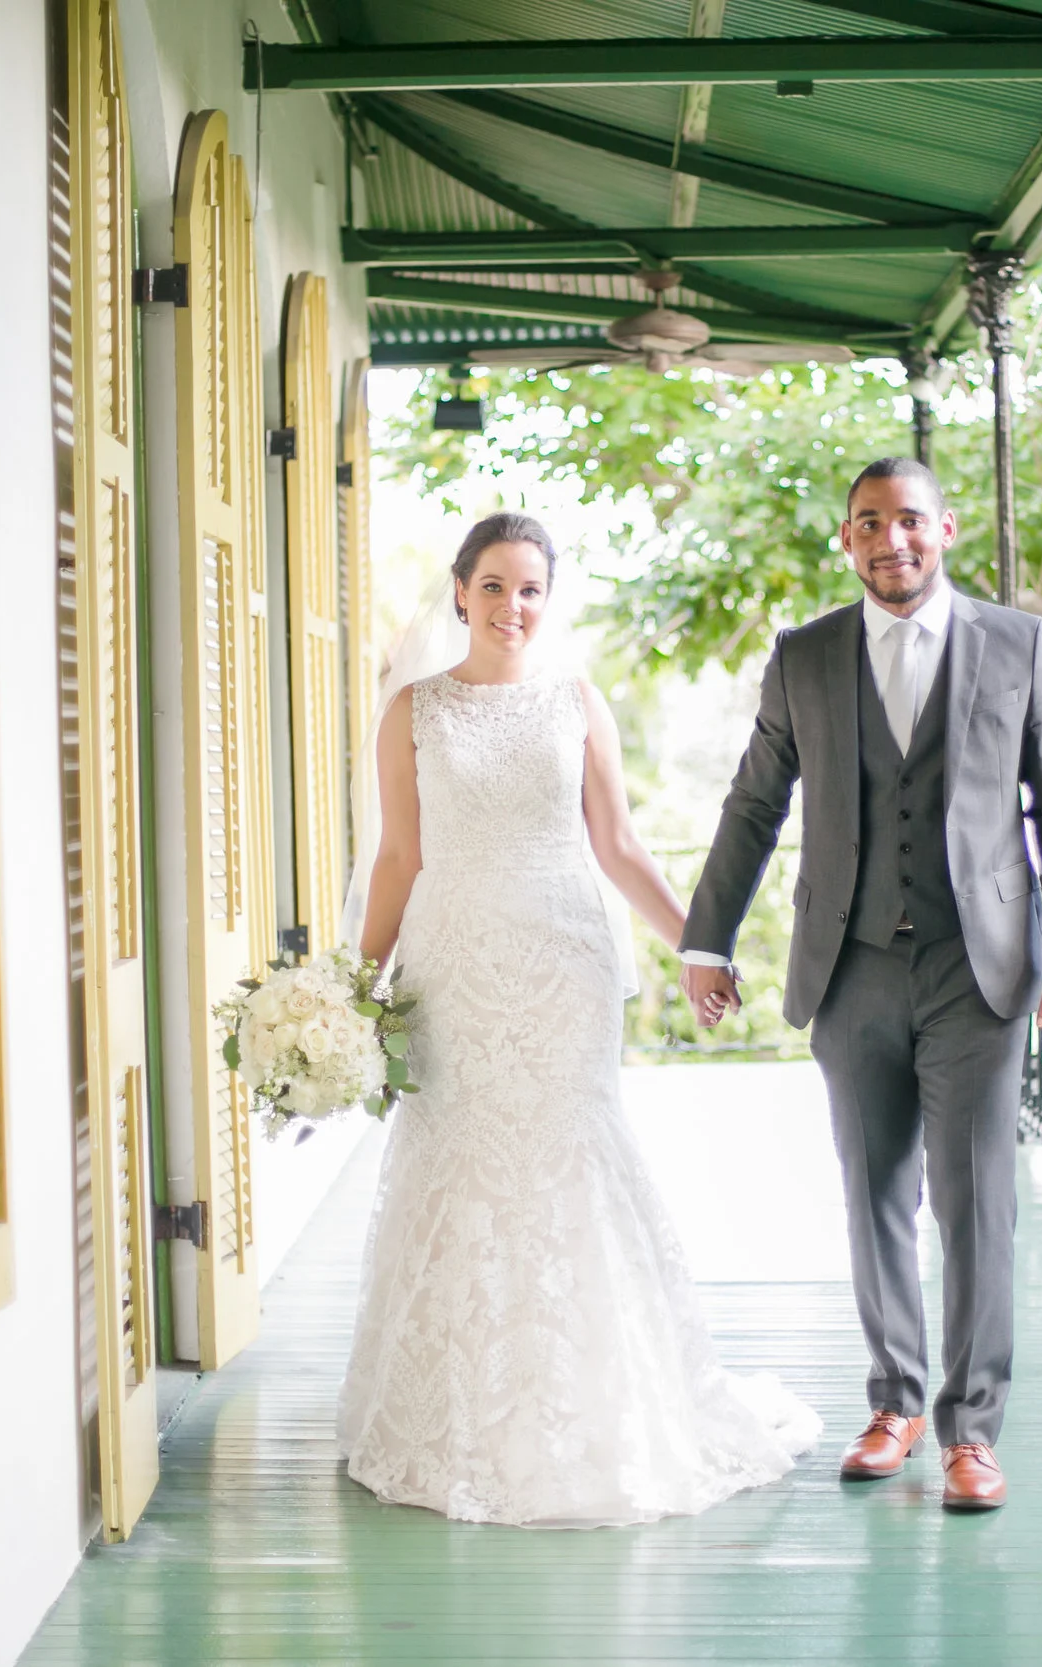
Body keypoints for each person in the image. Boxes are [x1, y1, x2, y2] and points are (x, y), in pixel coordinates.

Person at [341, 511, 819, 1528]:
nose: (513, 607)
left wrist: (700, 945)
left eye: (531, 590)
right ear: (459, 591)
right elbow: (397, 859)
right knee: (458, 1156)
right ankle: (455, 1409)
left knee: (568, 1156)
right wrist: (353, 983)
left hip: (564, 964)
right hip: (454, 967)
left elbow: (620, 845)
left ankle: (599, 1403)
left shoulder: (576, 702)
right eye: (495, 585)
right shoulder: (412, 712)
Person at [680, 458, 1042, 1513]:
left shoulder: (1017, 644)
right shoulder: (805, 655)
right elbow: (752, 804)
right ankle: (895, 1401)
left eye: (908, 520)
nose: (891, 540)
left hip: (979, 964)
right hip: (852, 963)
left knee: (975, 1202)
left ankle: (971, 1429)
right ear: (847, 539)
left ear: (943, 528)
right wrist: (705, 940)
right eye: (869, 523)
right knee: (872, 1193)